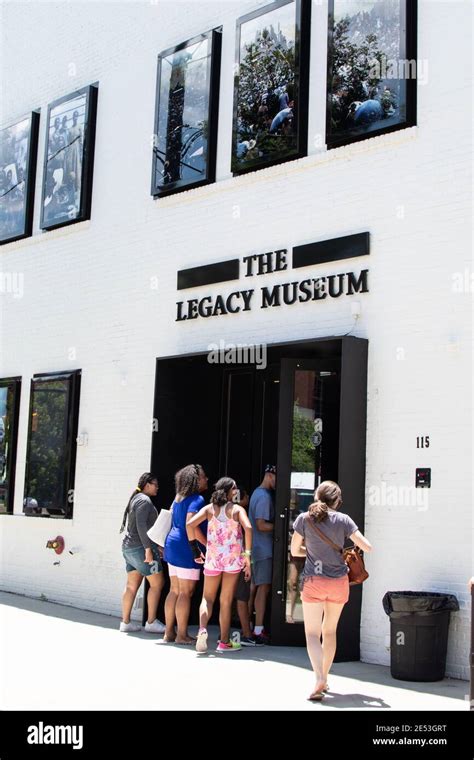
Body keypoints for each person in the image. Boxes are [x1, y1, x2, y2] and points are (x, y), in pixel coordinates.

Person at [291, 480, 373, 701]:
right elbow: (367, 546)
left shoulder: (304, 519)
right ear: (337, 500)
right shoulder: (344, 520)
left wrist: (313, 549)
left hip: (313, 581)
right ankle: (324, 677)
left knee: (311, 634)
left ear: (317, 496)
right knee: (329, 632)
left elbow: (294, 550)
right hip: (338, 583)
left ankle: (319, 677)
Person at [188, 477, 252, 653]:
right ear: (231, 490)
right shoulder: (237, 509)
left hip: (213, 558)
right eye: (235, 488)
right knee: (226, 600)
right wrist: (247, 555)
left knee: (207, 598)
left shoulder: (209, 509)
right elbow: (249, 528)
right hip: (232, 560)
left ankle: (202, 630)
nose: (236, 491)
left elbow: (190, 524)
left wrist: (195, 549)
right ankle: (224, 642)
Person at [163, 464, 208, 644]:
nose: (206, 480)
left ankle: (168, 633)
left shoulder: (178, 497)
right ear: (196, 481)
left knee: (174, 589)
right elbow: (192, 524)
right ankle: (181, 635)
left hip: (172, 544)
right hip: (185, 548)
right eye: (204, 477)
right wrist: (205, 545)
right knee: (185, 592)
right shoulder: (197, 499)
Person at [119, 472, 165, 633]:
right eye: (155, 484)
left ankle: (125, 623)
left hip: (129, 548)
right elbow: (141, 526)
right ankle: (151, 622)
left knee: (131, 586)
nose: (157, 487)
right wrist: (148, 550)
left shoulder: (136, 499)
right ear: (147, 485)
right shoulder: (144, 501)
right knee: (157, 583)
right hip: (140, 549)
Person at [248, 465, 276, 644]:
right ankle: (258, 629)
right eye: (275, 477)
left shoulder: (256, 493)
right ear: (269, 475)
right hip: (263, 549)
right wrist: (280, 527)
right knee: (263, 588)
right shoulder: (264, 497)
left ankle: (250, 626)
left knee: (255, 587)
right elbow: (261, 525)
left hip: (256, 548)